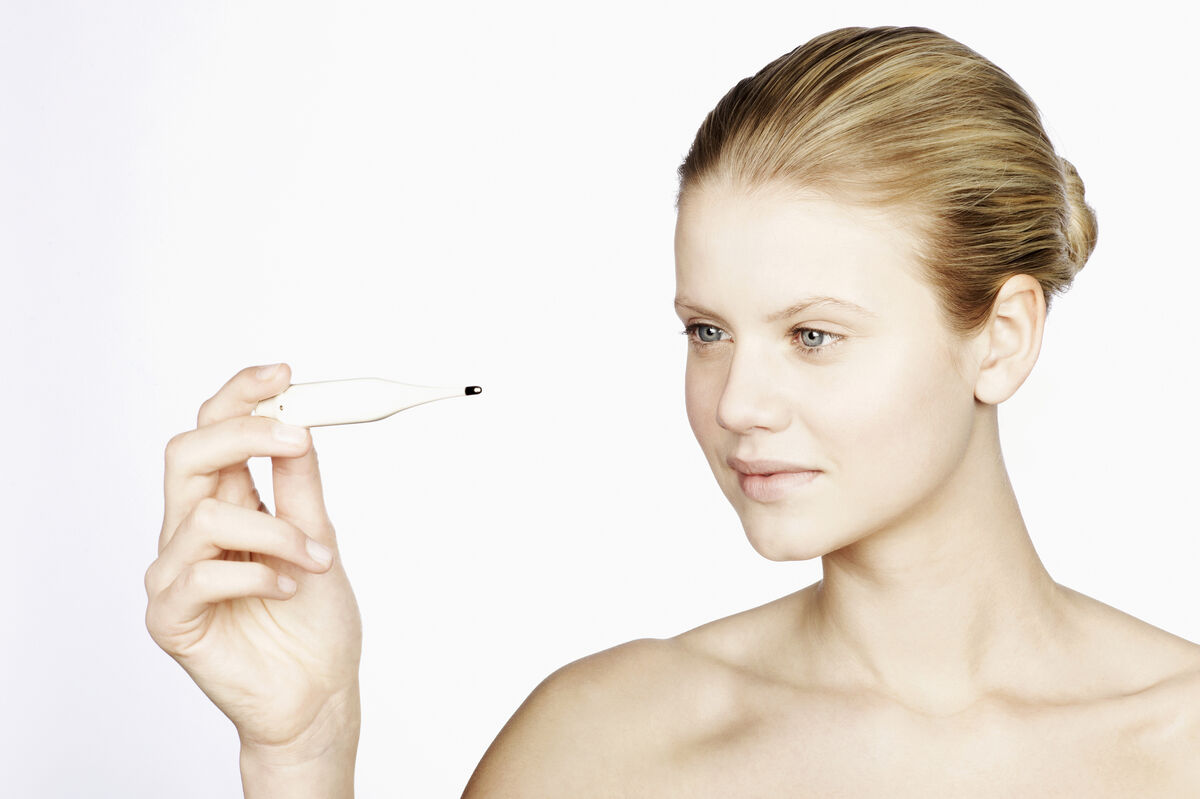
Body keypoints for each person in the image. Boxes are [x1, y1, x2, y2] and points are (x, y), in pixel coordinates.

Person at [145, 25, 1200, 796]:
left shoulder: (1177, 744)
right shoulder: (601, 744)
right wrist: (305, 748)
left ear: (1002, 337)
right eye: (707, 331)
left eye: (813, 335)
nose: (737, 402)